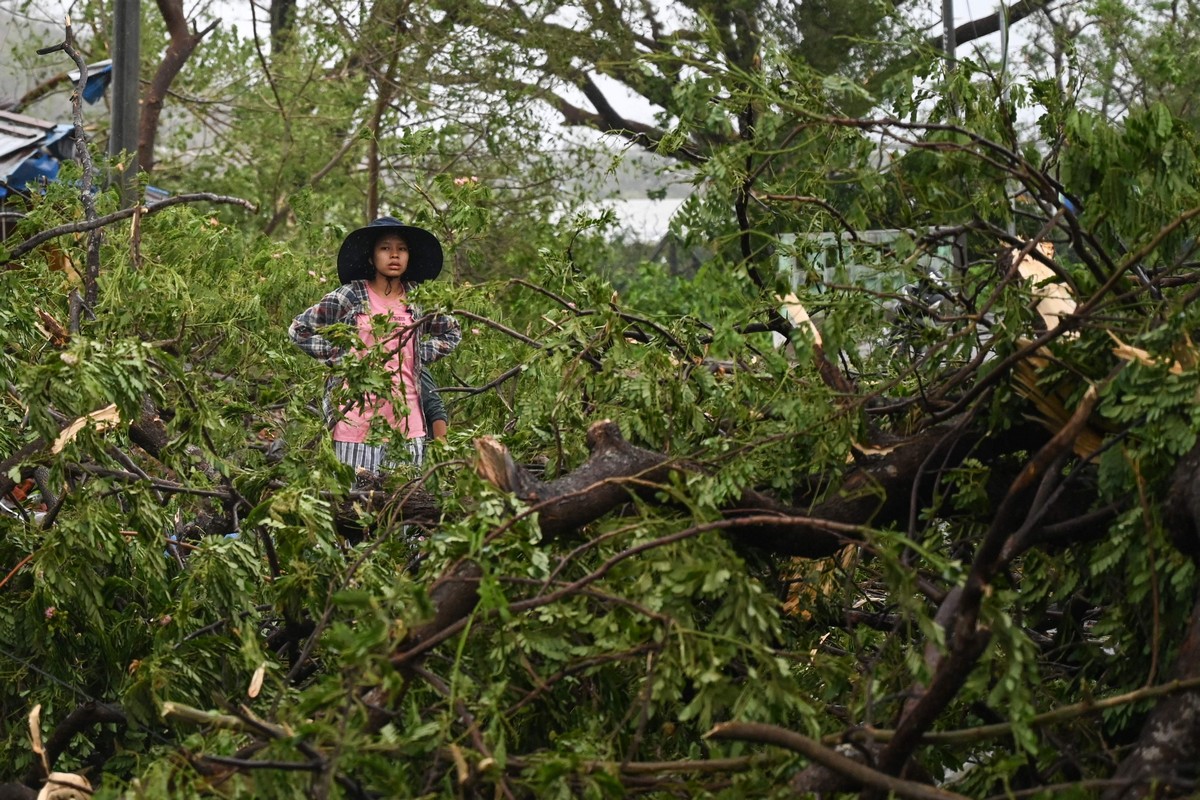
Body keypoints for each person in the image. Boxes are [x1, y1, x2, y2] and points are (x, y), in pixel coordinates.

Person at [289, 216, 460, 477]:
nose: (394, 255)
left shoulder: (417, 299)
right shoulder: (351, 295)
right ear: (371, 257)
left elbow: (451, 331)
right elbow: (300, 330)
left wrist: (416, 354)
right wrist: (342, 357)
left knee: (404, 506)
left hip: (407, 425)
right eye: (385, 248)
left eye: (401, 249)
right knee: (353, 508)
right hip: (354, 423)